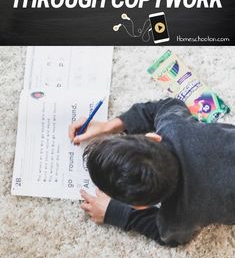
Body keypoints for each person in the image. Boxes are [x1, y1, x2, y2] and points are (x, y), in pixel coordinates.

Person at [68, 98, 235, 246]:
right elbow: (167, 105)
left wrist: (116, 212)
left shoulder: (178, 218)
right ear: (153, 137)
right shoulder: (174, 126)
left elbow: (169, 238)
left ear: (141, 206)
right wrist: (111, 125)